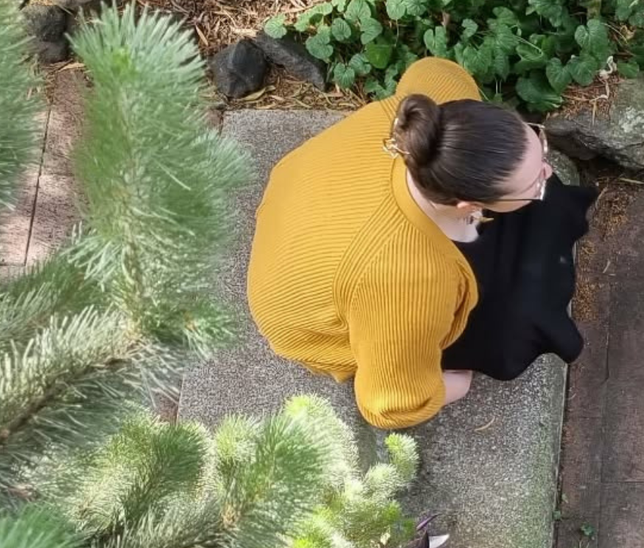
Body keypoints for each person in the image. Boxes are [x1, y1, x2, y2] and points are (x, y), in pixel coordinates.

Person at [245, 56, 593, 431]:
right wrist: (449, 385)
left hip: (306, 202)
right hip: (309, 314)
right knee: (517, 317)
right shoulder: (410, 279)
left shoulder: (440, 111)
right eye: (534, 181)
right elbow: (387, 404)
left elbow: (433, 70)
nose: (549, 170)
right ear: (466, 205)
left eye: (537, 142)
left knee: (539, 214)